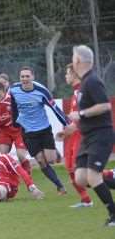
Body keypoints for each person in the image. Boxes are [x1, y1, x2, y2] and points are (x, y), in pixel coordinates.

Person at [67, 45, 114, 226]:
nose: (72, 61)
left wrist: (81, 114)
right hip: (88, 137)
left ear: (78, 60)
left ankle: (114, 215)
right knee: (81, 178)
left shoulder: (92, 81)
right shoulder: (85, 82)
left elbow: (105, 106)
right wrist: (71, 128)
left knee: (93, 176)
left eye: (73, 57)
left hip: (100, 135)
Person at [9, 66, 68, 194]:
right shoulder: (13, 90)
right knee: (41, 161)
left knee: (51, 160)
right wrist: (14, 121)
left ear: (33, 77)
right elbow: (13, 105)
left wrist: (67, 123)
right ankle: (60, 186)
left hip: (44, 129)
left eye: (27, 76)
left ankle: (54, 152)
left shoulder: (42, 91)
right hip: (28, 131)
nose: (24, 79)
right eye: (22, 76)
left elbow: (55, 108)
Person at [55, 64, 93, 208]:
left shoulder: (81, 92)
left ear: (75, 75)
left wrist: (69, 129)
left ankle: (110, 175)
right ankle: (86, 200)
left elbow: (83, 117)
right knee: (70, 168)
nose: (66, 76)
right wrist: (66, 132)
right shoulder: (75, 93)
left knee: (80, 170)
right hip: (73, 135)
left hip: (82, 135)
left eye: (67, 73)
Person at [0, 82, 32, 174]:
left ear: (1, 92)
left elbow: (25, 113)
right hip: (4, 132)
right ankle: (9, 175)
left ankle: (27, 173)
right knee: (2, 156)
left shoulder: (12, 100)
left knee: (21, 155)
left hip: (18, 131)